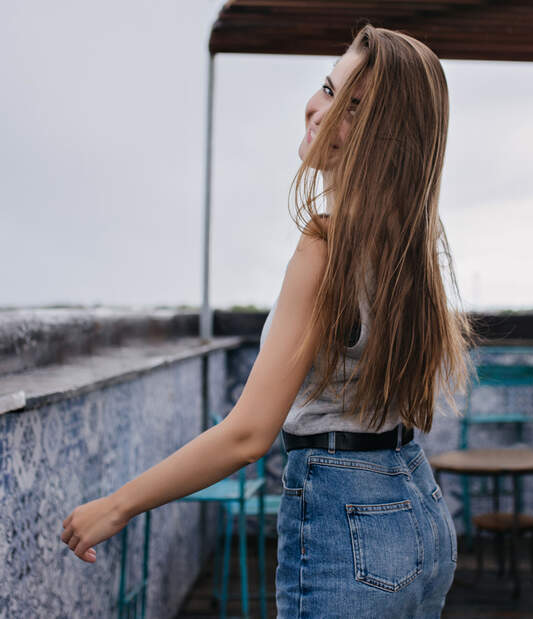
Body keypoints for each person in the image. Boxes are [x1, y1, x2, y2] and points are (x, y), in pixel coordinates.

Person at [61, 23, 477, 618]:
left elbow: (247, 435)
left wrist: (117, 505)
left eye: (353, 106)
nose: (319, 109)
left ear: (386, 138)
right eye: (329, 88)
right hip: (418, 505)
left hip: (346, 518)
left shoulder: (325, 246)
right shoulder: (412, 251)